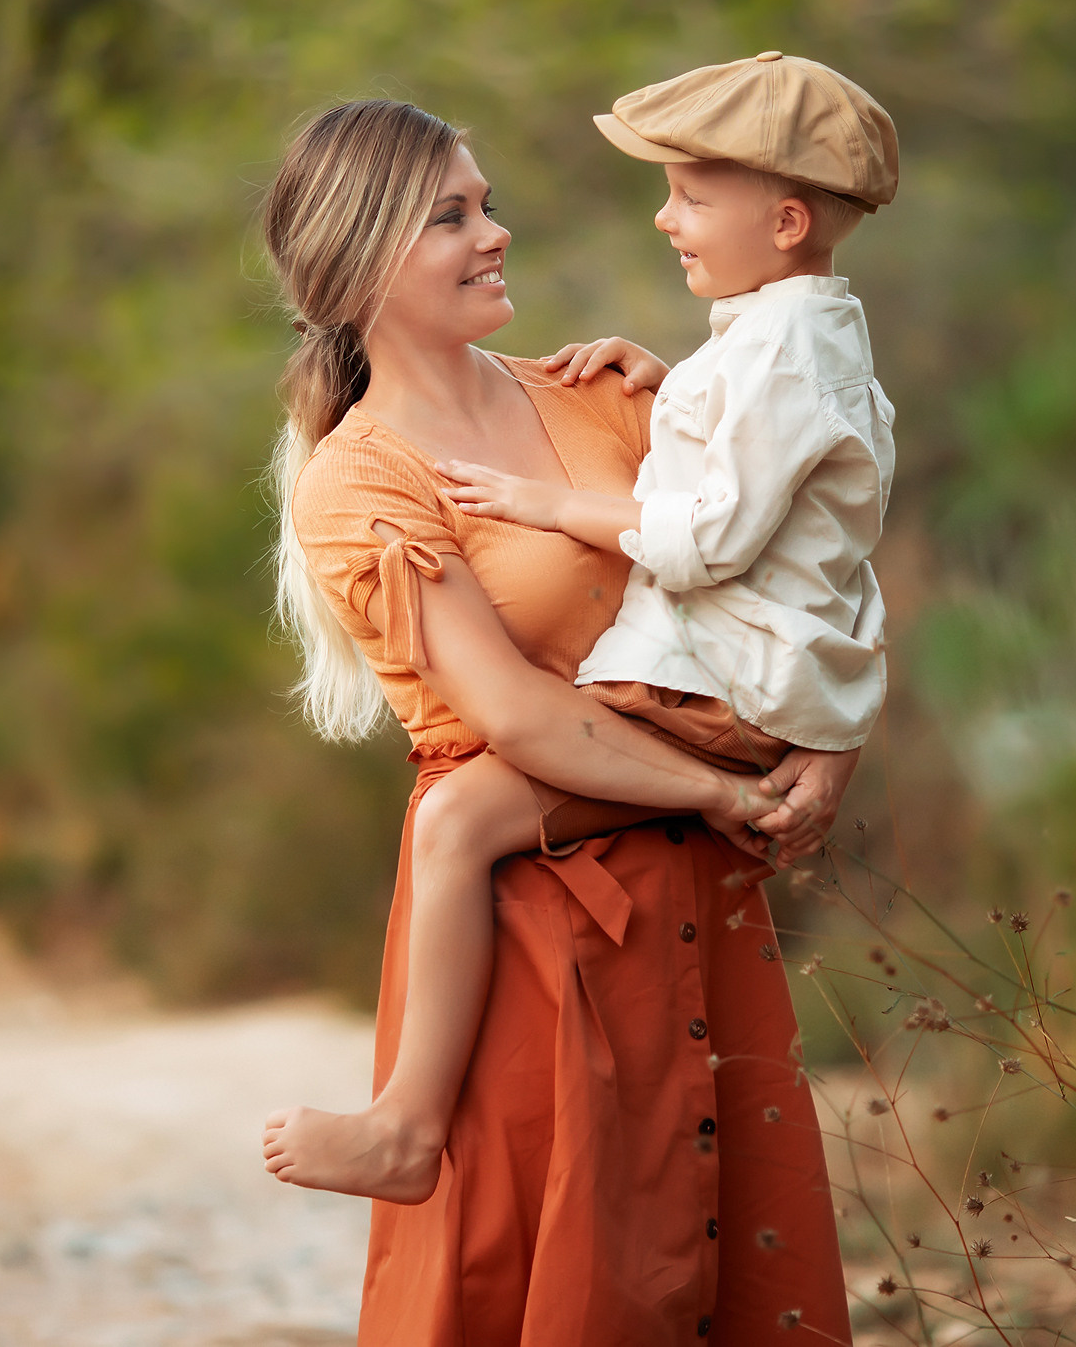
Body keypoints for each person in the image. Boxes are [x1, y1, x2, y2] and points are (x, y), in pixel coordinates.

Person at [254, 98, 855, 1341]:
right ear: (361, 256)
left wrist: (826, 743)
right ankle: (407, 1129)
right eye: (452, 216)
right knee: (553, 1274)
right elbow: (520, 718)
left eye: (488, 204)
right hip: (529, 922)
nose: (497, 234)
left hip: (693, 899)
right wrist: (724, 792)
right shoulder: (360, 480)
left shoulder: (600, 395)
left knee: (729, 1270)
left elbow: (779, 551)